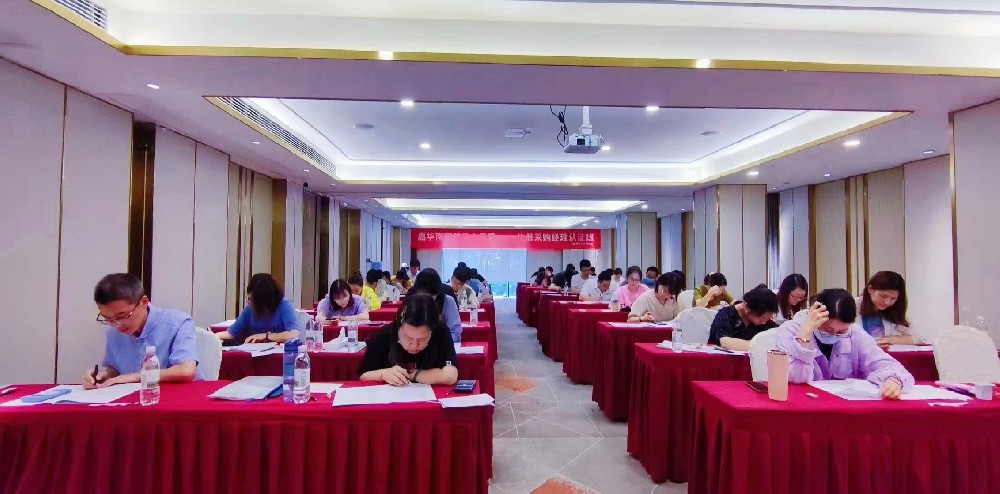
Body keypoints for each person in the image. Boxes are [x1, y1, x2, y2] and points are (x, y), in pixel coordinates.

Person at [775, 288, 914, 400]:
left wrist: (894, 380)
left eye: (841, 331)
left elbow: (890, 366)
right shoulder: (790, 330)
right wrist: (805, 334)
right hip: (803, 404)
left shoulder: (855, 333)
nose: (833, 334)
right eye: (827, 329)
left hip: (846, 406)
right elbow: (796, 378)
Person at [84, 273, 200, 389]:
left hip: (179, 393)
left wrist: (137, 377)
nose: (116, 324)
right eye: (107, 318)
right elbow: (116, 369)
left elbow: (186, 371)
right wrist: (104, 376)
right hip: (135, 395)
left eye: (121, 316)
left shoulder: (178, 322)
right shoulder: (112, 330)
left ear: (144, 302)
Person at [358, 294, 459, 387]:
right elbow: (363, 375)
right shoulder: (385, 335)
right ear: (398, 327)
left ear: (432, 331)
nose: (414, 346)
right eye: (408, 338)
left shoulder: (441, 331)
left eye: (422, 339)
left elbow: (451, 375)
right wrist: (383, 374)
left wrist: (414, 375)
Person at [219, 273, 300, 344]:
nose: (250, 303)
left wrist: (265, 336)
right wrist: (213, 338)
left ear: (263, 300)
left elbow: (293, 334)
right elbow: (231, 334)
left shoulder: (284, 306)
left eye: (252, 300)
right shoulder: (249, 310)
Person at [708, 284, 779, 351]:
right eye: (762, 318)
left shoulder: (765, 322)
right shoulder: (726, 314)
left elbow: (779, 335)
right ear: (747, 307)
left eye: (768, 318)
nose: (764, 322)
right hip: (718, 357)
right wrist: (760, 345)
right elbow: (725, 343)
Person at [858, 271, 918, 348]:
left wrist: (891, 339)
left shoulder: (893, 311)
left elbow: (918, 338)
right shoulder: (851, 306)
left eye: (893, 298)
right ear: (870, 289)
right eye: (883, 296)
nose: (887, 302)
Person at [411, 269, 463, 343]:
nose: (425, 300)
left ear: (438, 292)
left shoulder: (448, 302)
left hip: (440, 345)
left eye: (430, 296)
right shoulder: (411, 302)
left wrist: (434, 340)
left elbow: (456, 334)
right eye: (422, 295)